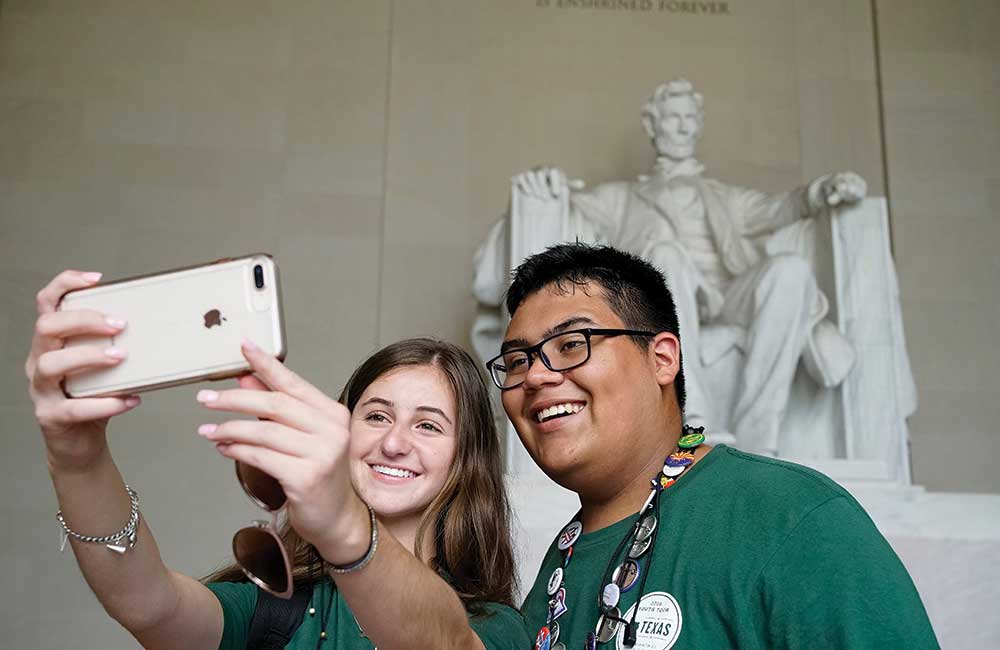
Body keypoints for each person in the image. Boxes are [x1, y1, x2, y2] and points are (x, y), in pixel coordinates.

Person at [26, 269, 529, 650]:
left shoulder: (497, 627)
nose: (394, 443)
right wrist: (76, 456)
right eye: (376, 416)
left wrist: (342, 527)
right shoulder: (281, 606)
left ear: (467, 461)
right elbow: (147, 605)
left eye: (428, 425)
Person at [486, 243, 938, 649]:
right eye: (517, 361)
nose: (537, 376)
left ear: (662, 359)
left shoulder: (790, 515)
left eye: (571, 344)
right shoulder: (562, 559)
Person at [475, 78, 870, 454]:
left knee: (790, 271)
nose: (682, 127)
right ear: (652, 124)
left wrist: (821, 192)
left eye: (689, 118)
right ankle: (688, 412)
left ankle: (758, 431)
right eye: (672, 117)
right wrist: (547, 181)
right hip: (664, 291)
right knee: (665, 256)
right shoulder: (622, 199)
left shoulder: (724, 197)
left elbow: (781, 208)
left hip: (725, 297)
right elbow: (569, 207)